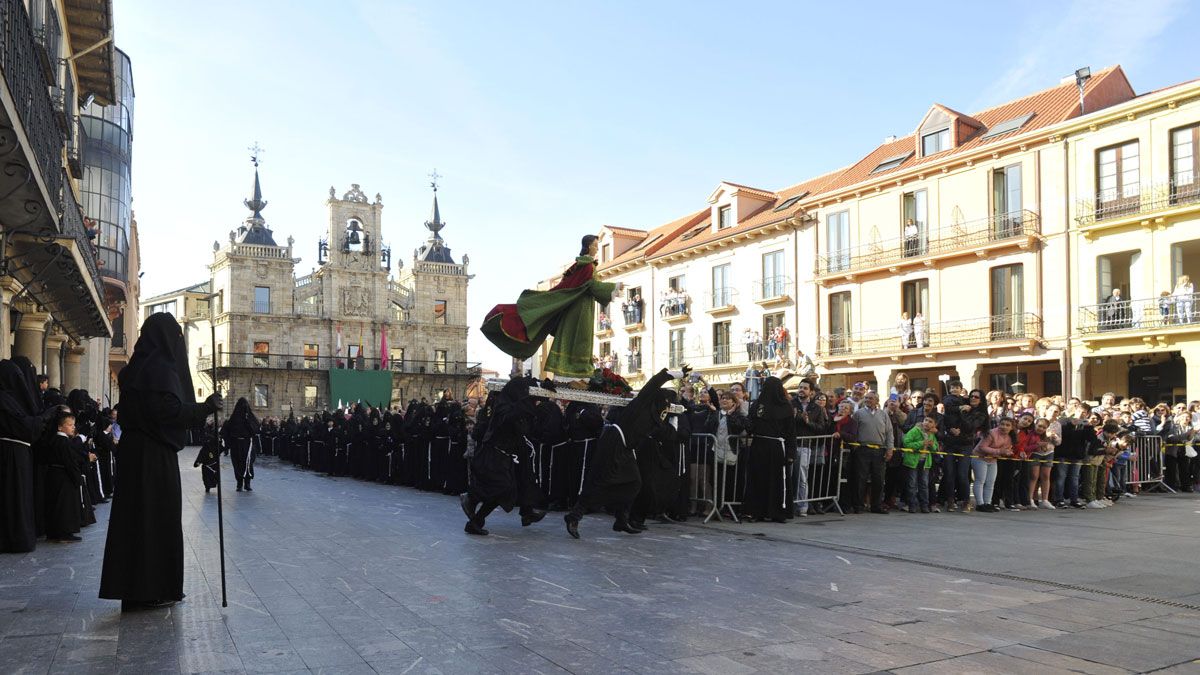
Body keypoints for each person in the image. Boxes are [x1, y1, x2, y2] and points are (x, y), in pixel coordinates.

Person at [100, 313, 222, 611]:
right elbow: (167, 411)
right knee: (156, 520)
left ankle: (133, 588)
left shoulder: (135, 370)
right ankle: (152, 589)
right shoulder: (160, 370)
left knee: (134, 523)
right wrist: (204, 407)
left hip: (133, 454)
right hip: (154, 457)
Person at [482, 234, 621, 382]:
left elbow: (572, 284)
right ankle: (576, 372)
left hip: (574, 307)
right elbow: (591, 285)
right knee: (581, 339)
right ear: (587, 246)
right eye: (595, 245)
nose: (597, 248)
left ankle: (568, 370)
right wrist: (614, 287)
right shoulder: (587, 266)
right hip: (580, 310)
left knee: (573, 338)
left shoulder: (578, 265)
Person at [565, 368, 681, 538]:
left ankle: (621, 519)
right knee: (598, 481)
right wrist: (676, 374)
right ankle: (574, 517)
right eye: (666, 402)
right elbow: (655, 381)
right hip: (613, 441)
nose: (666, 407)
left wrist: (675, 418)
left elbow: (671, 434)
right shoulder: (641, 403)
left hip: (626, 448)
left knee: (633, 483)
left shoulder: (656, 420)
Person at [461, 377, 546, 535]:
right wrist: (533, 397)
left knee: (501, 490)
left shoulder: (510, 405)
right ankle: (472, 503)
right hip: (493, 455)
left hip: (502, 456)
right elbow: (513, 414)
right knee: (502, 489)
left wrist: (540, 395)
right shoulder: (502, 406)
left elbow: (525, 417)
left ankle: (474, 515)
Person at [0, 360, 44, 552]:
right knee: (12, 496)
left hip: (17, 454)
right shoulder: (4, 399)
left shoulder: (10, 399)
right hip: (9, 455)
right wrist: (43, 419)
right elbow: (25, 427)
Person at [742, 377, 797, 523]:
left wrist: (791, 453)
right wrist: (746, 422)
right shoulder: (757, 405)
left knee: (777, 481)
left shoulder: (786, 407)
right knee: (758, 480)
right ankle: (756, 511)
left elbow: (790, 432)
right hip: (759, 446)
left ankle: (778, 512)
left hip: (777, 448)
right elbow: (751, 426)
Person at [843, 391, 893, 514]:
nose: (867, 400)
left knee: (879, 479)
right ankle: (858, 505)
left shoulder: (883, 414)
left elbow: (889, 433)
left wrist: (890, 448)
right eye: (866, 398)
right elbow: (854, 431)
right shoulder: (858, 414)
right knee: (860, 478)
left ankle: (876, 505)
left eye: (870, 398)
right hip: (862, 449)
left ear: (877, 400)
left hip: (879, 450)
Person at [41, 408, 84, 542]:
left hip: (53, 475)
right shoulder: (64, 442)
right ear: (60, 426)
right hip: (64, 477)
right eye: (70, 425)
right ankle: (63, 534)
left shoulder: (53, 440)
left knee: (54, 505)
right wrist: (78, 479)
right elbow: (70, 462)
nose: (73, 428)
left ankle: (53, 533)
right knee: (64, 506)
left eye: (74, 425)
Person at [972, 417, 1016, 512]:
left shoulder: (1010, 437)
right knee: (980, 480)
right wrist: (999, 451)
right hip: (979, 458)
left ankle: (987, 503)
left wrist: (1006, 453)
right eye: (1002, 424)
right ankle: (980, 504)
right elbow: (982, 447)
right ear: (998, 424)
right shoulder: (991, 433)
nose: (1004, 427)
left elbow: (1006, 449)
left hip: (993, 460)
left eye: (1007, 425)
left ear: (1012, 428)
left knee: (991, 482)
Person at [221, 397, 260, 492]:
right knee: (237, 464)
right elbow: (225, 431)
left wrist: (247, 421)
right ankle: (239, 483)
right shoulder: (233, 419)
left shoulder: (250, 418)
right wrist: (228, 443)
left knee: (247, 463)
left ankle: (247, 483)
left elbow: (255, 430)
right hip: (236, 444)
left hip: (247, 444)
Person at [901, 416, 938, 513]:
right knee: (912, 484)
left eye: (930, 421)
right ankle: (912, 505)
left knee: (924, 484)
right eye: (926, 420)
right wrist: (921, 443)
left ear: (934, 425)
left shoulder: (931, 434)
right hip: (913, 461)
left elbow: (935, 447)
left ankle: (924, 505)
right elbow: (906, 442)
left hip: (925, 462)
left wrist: (931, 445)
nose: (927, 423)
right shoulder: (915, 430)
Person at [193, 422, 220, 494]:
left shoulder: (215, 447)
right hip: (206, 465)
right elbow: (201, 456)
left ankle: (213, 484)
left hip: (214, 464)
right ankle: (207, 487)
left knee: (214, 476)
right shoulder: (204, 449)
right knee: (206, 477)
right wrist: (197, 462)